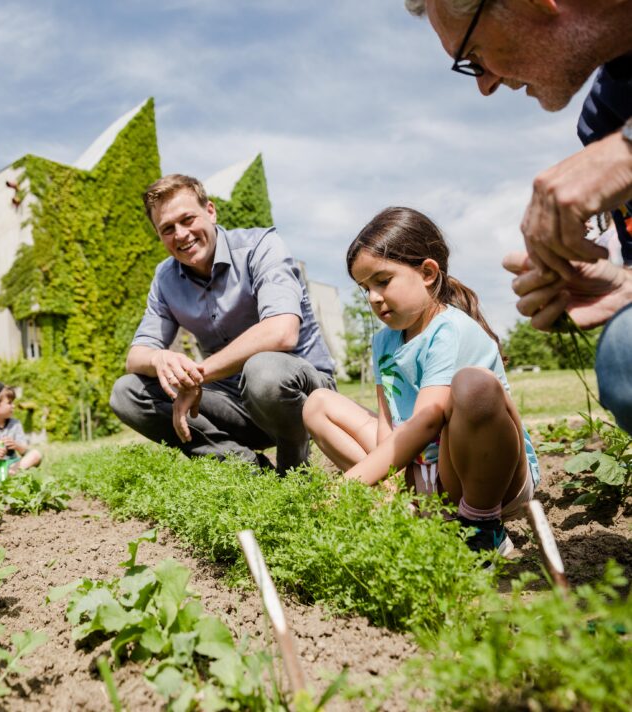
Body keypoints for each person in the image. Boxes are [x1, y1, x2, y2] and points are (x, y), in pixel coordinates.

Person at [406, 0, 632, 431]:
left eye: (472, 55)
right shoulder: (603, 117)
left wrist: (625, 153)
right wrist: (624, 286)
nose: (485, 85)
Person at [303, 207, 541, 556]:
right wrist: (389, 483)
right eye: (365, 288)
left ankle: (481, 527)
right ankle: (404, 507)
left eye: (382, 281)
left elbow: (428, 419)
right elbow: (388, 421)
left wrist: (348, 487)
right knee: (318, 404)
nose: (373, 297)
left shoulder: (451, 329)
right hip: (424, 473)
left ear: (428, 272)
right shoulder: (383, 341)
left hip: (485, 478)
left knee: (474, 387)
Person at [110, 174, 336, 473]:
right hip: (235, 405)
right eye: (167, 229)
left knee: (263, 370)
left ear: (211, 211)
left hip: (302, 397)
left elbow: (282, 332)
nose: (181, 234)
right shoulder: (165, 279)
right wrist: (159, 356)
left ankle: (295, 472)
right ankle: (249, 471)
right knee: (127, 392)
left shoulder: (260, 246)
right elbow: (135, 357)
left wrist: (196, 377)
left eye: (187, 219)